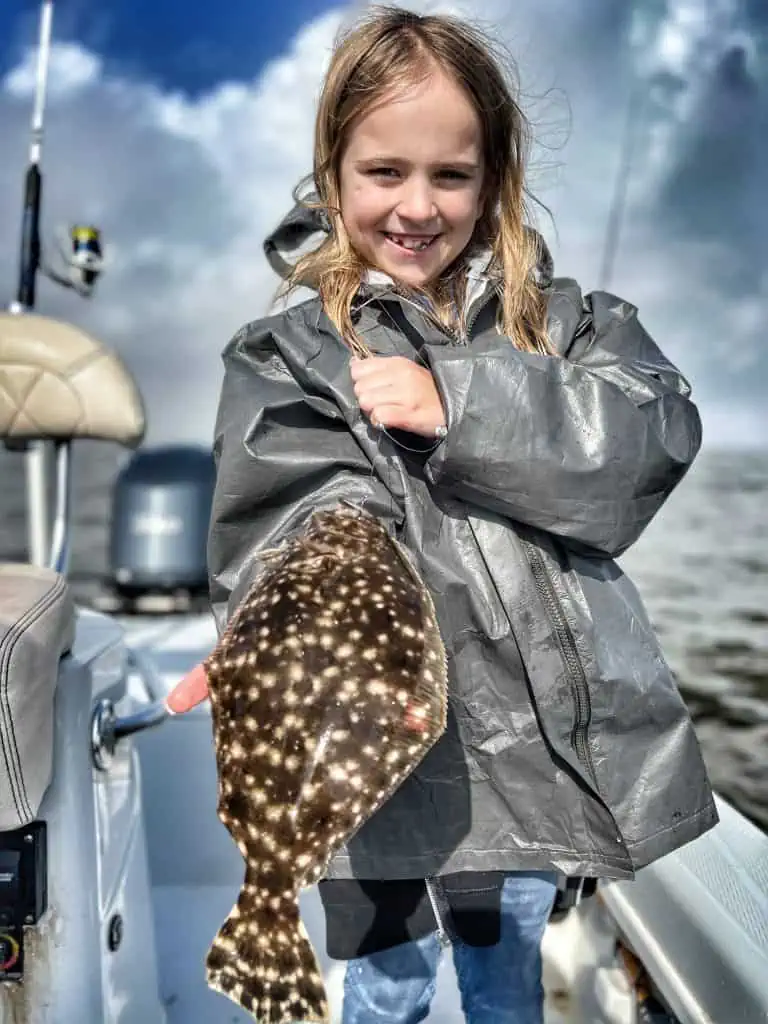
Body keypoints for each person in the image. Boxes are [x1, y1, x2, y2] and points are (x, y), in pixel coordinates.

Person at [167, 7, 718, 1022]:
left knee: (505, 979)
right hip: (374, 765)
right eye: (383, 171)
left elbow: (652, 433)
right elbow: (291, 501)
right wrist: (276, 624)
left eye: (451, 176)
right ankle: (269, 928)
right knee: (387, 986)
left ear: (494, 179)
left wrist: (457, 403)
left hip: (522, 766)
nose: (416, 205)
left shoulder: (566, 327)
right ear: (332, 174)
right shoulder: (284, 355)